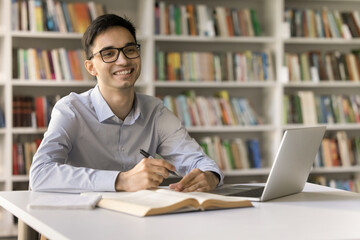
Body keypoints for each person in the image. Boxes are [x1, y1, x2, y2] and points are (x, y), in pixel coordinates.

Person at [29, 14, 223, 193]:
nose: (123, 60)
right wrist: (121, 180)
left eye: (130, 50)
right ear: (91, 67)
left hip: (140, 220)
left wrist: (210, 177)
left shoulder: (156, 111)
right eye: (109, 53)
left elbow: (198, 161)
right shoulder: (70, 109)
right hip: (84, 220)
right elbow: (40, 174)